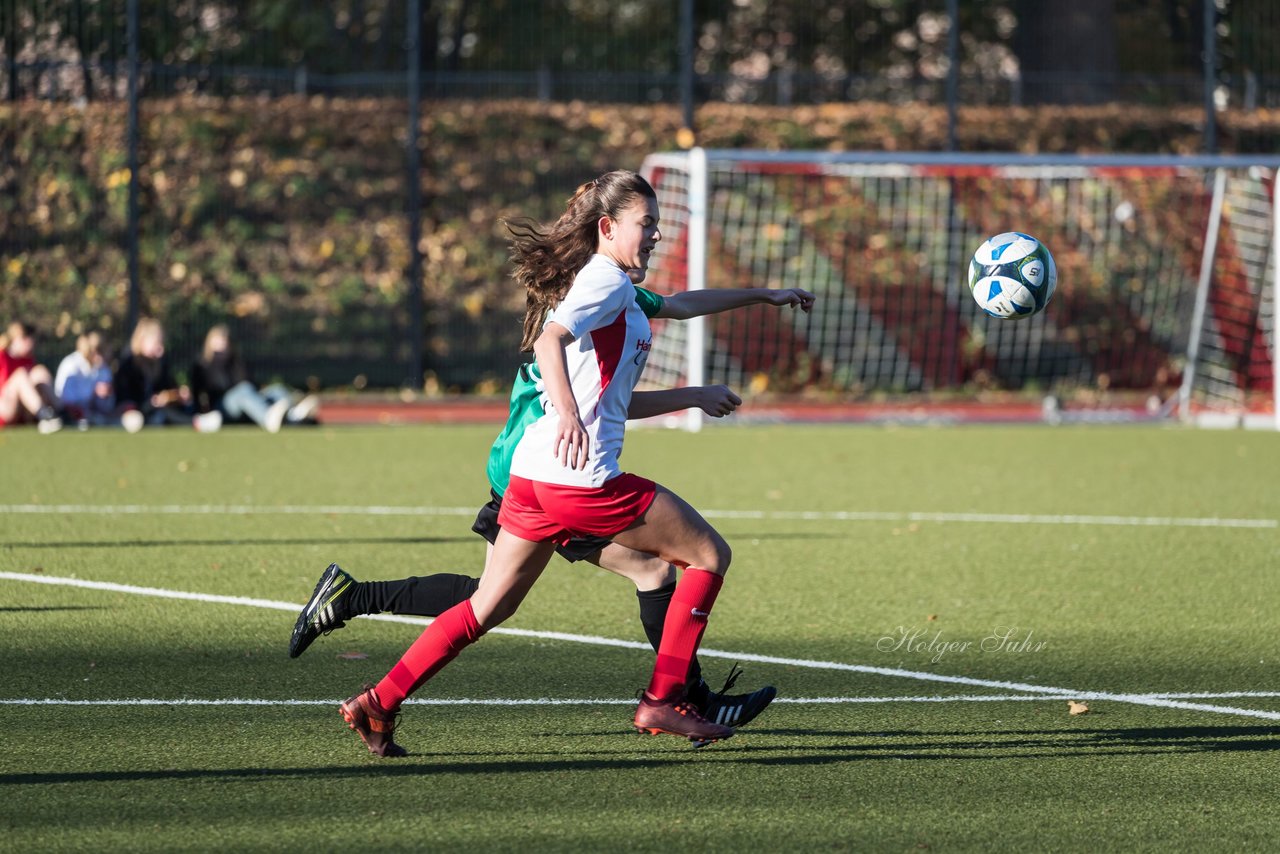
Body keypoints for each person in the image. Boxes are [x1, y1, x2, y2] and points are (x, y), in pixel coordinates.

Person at [330, 170, 813, 757]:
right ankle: (665, 699)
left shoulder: (621, 291)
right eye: (647, 224)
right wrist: (565, 413)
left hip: (532, 481)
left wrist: (761, 299)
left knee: (487, 605)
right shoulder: (605, 283)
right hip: (577, 479)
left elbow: (675, 316)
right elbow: (548, 340)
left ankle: (378, 703)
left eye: (658, 224)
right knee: (710, 554)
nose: (656, 235)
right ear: (608, 228)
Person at [190, 324, 319, 433]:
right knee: (242, 391)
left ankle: (293, 415)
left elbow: (249, 383)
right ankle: (268, 420)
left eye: (225, 340)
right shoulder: (202, 365)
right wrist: (201, 413)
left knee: (277, 390)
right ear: (210, 342)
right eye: (218, 340)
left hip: (245, 399)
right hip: (223, 407)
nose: (222, 343)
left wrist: (233, 362)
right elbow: (198, 393)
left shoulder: (236, 362)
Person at [114, 317, 221, 432]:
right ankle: (196, 423)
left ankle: (196, 419)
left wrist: (177, 394)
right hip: (134, 413)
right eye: (157, 343)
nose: (161, 349)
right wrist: (151, 402)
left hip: (156, 410)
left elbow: (166, 388)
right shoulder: (128, 363)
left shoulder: (160, 363)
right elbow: (125, 398)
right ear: (143, 340)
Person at [54, 330, 144, 432]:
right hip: (72, 415)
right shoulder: (71, 365)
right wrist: (92, 393)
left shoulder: (104, 370)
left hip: (97, 415)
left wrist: (104, 397)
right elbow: (65, 400)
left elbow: (107, 407)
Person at [0, 322, 65, 434]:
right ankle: (44, 416)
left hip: (23, 411)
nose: (31, 344)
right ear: (16, 339)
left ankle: (61, 412)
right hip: (5, 408)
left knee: (40, 372)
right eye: (26, 339)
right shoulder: (3, 356)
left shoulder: (28, 359)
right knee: (20, 375)